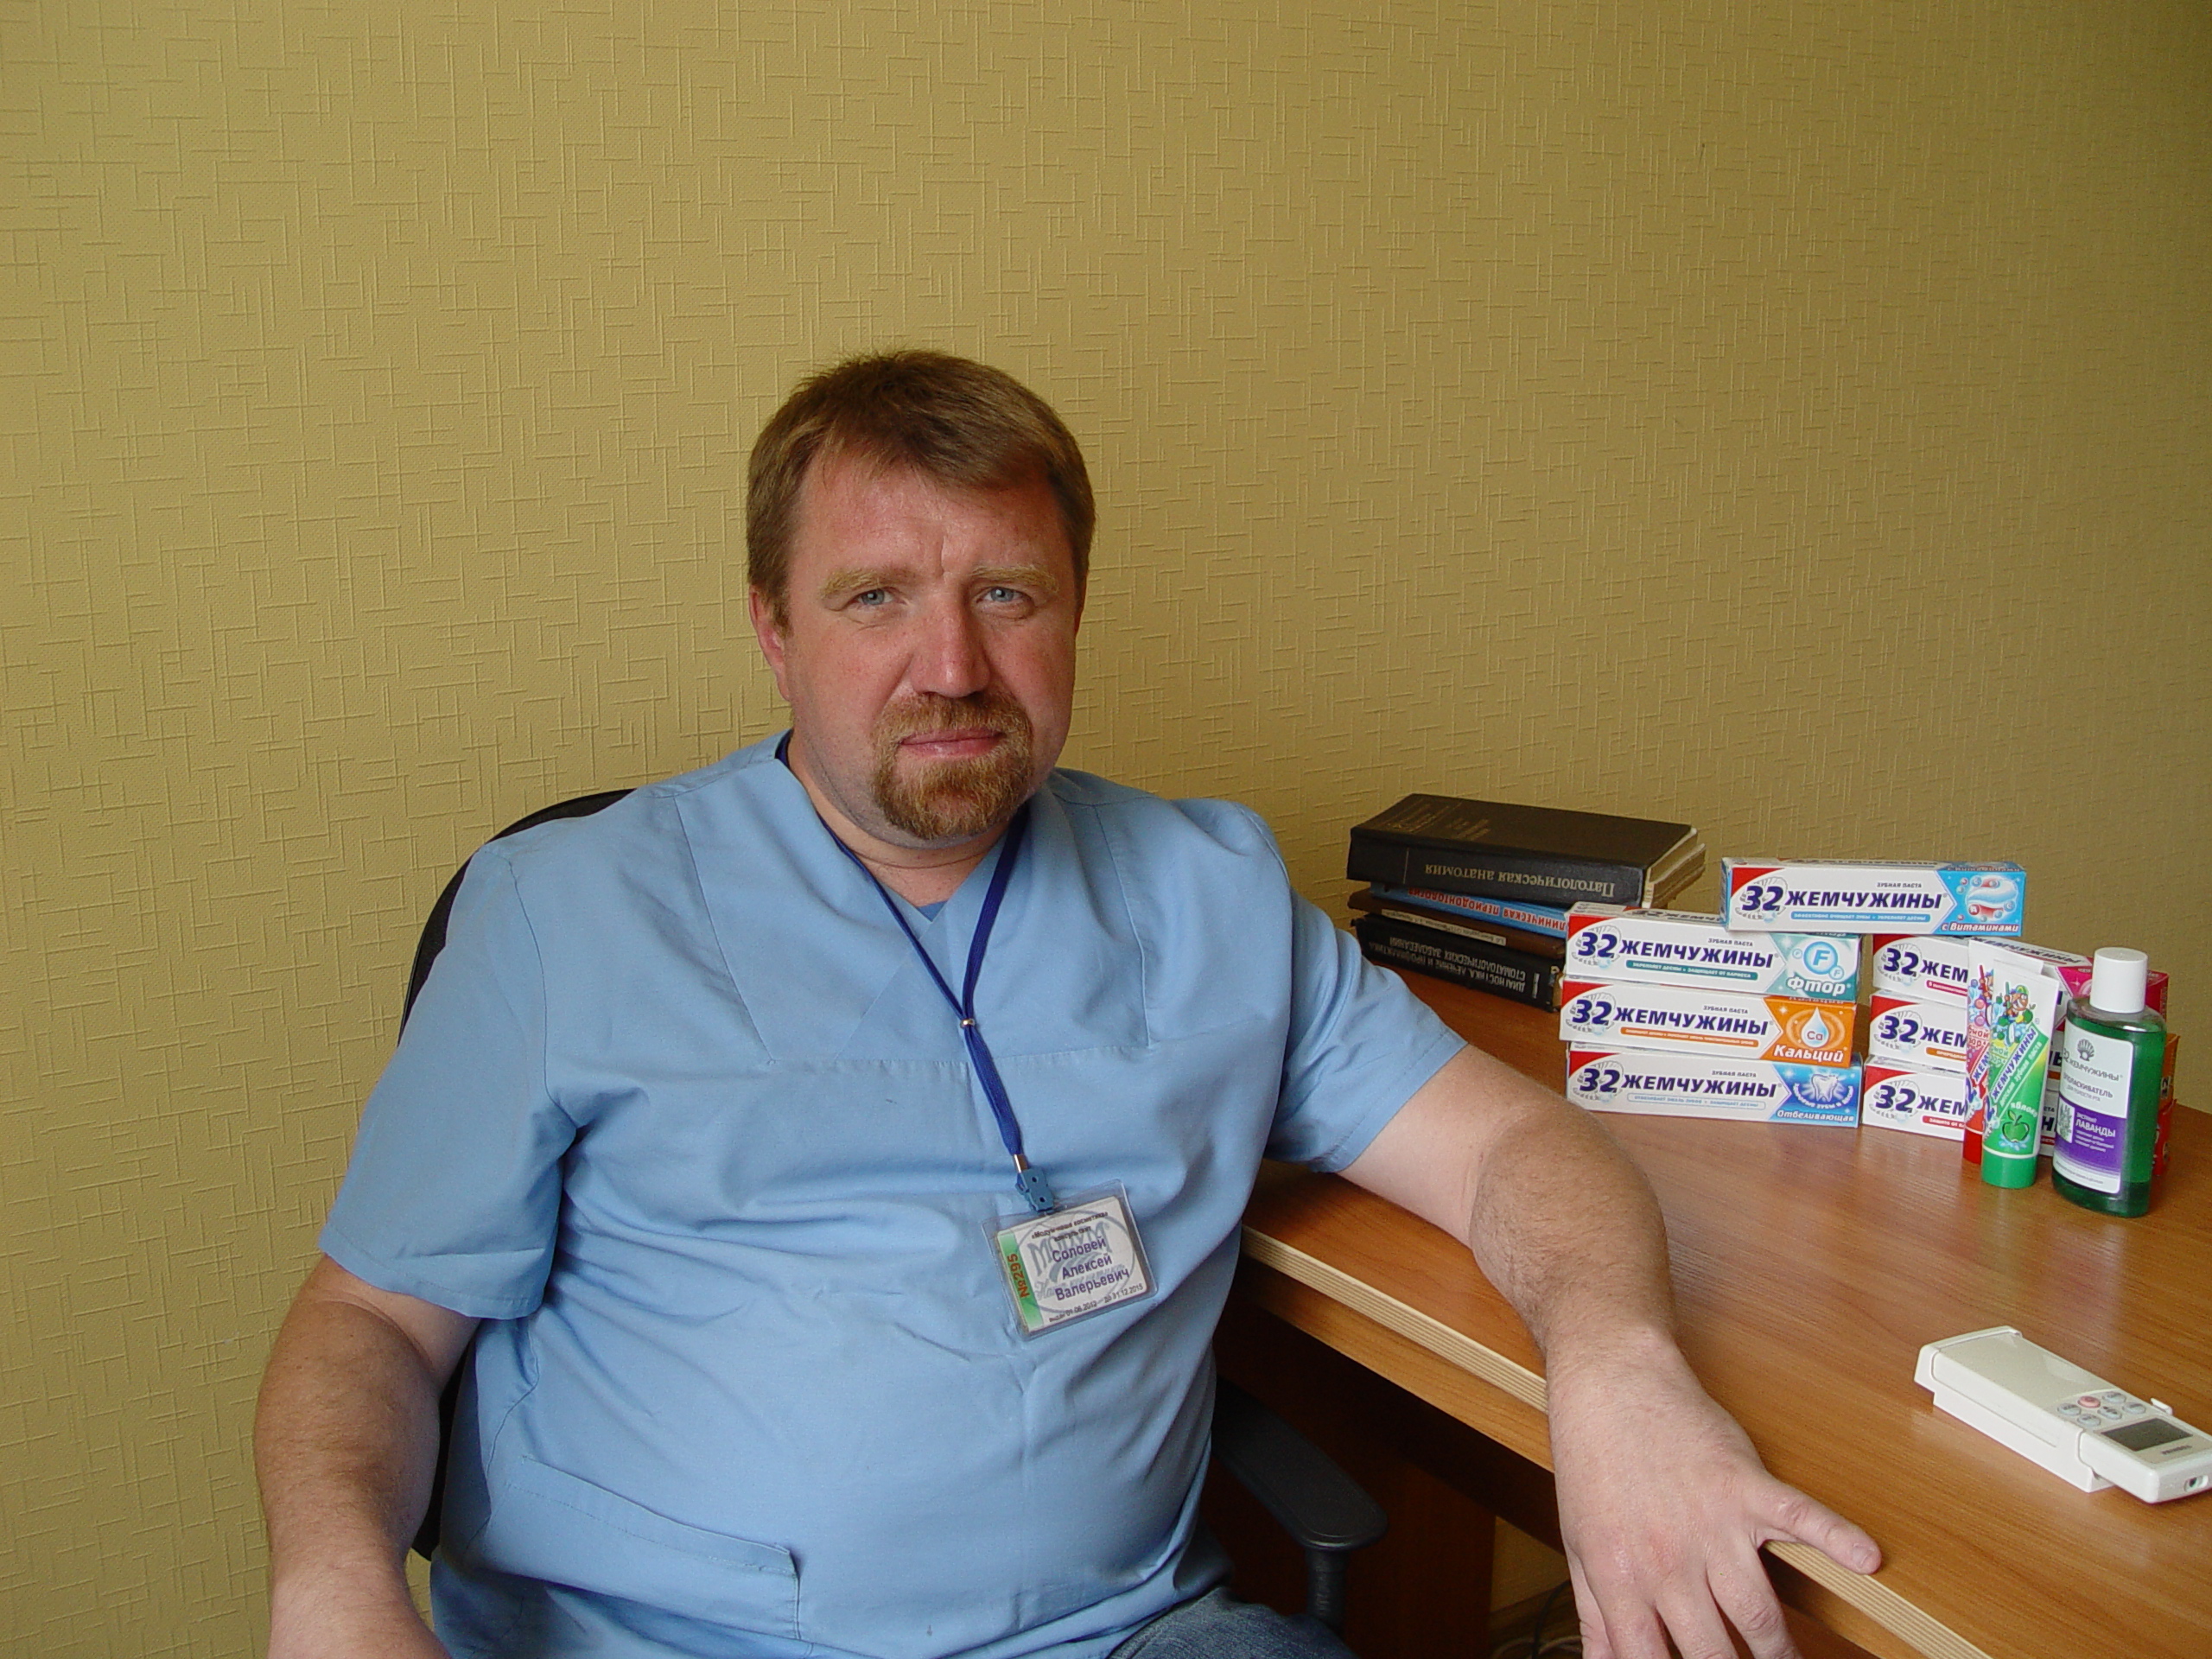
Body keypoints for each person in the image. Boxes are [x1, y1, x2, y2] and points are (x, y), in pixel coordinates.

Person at [256, 350, 1879, 1659]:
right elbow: (370, 1324)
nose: (952, 665)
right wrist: (334, 1588)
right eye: (875, 598)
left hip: (1120, 1637)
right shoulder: (564, 914)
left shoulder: (1210, 895)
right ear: (772, 631)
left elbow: (1515, 1147)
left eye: (1008, 595)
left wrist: (1616, 1371)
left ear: (1077, 608)